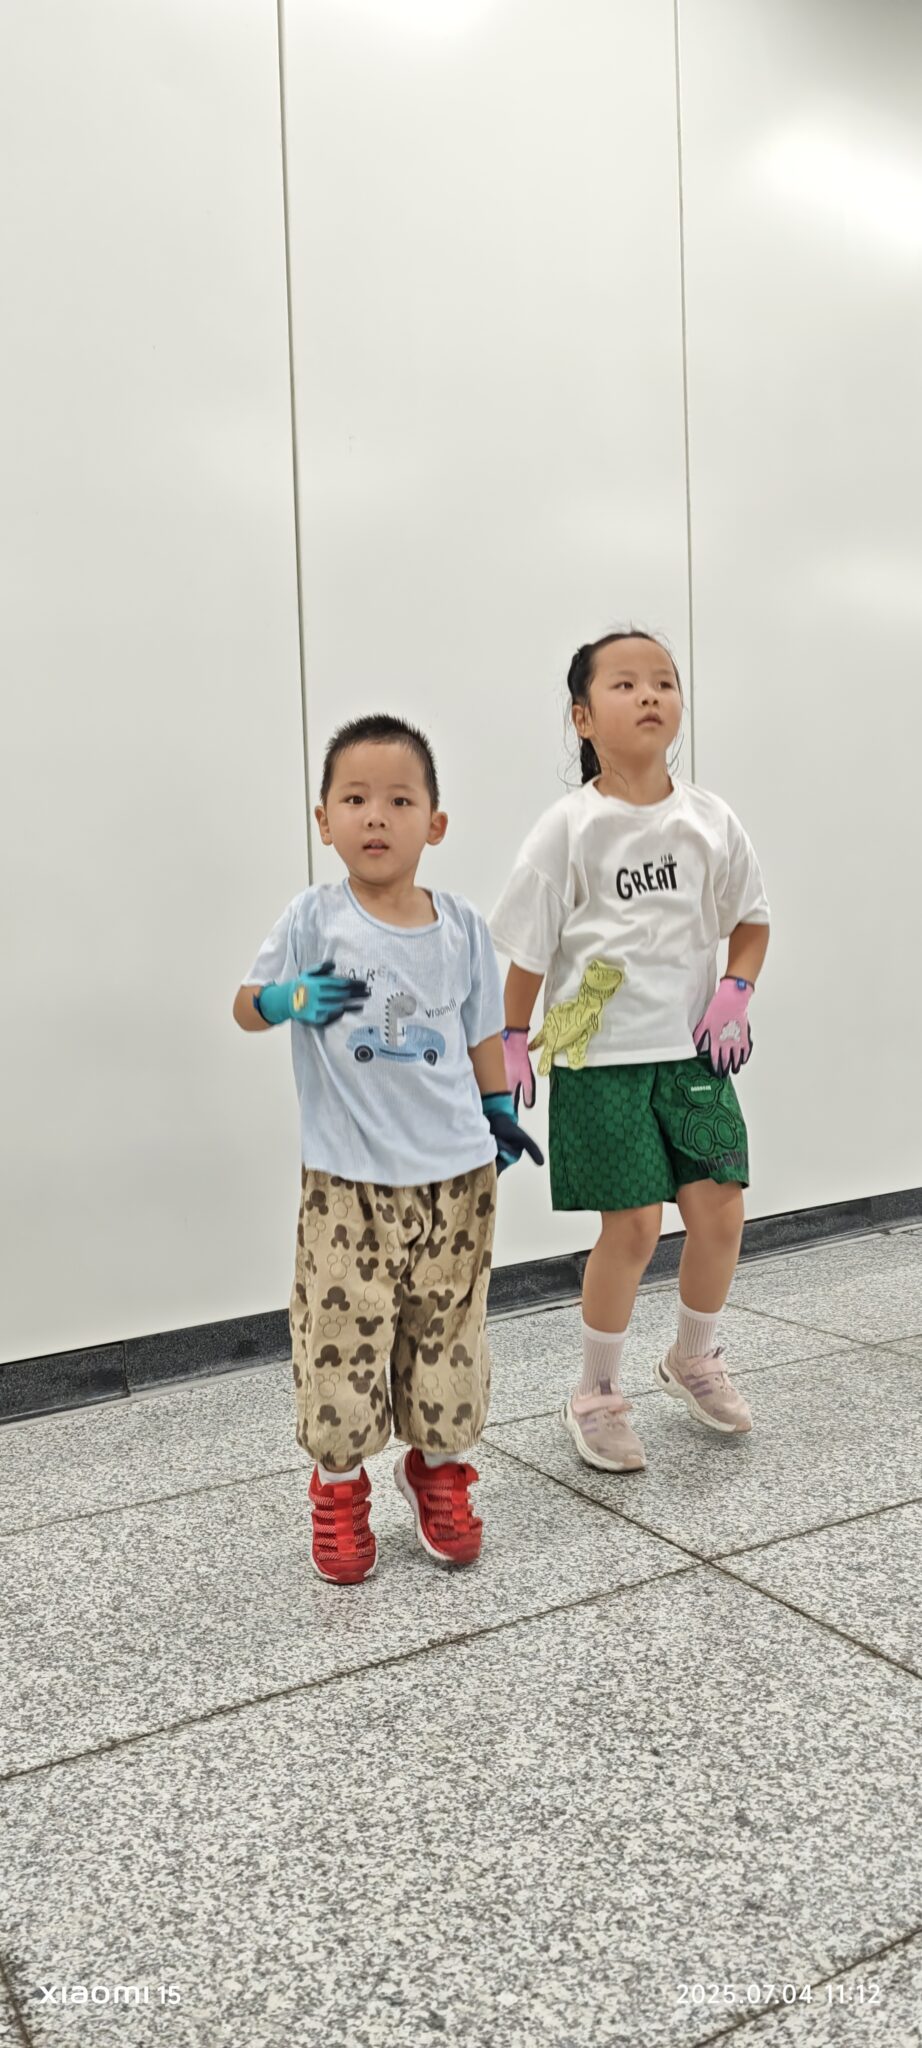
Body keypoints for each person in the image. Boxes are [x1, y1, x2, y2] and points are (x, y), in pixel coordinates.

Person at [233, 714, 542, 1584]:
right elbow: (245, 1004)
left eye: (400, 801)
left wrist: (497, 1110)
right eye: (355, 799)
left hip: (458, 1180)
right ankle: (339, 1489)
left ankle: (437, 1472)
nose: (377, 816)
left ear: (434, 824)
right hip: (349, 1185)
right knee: (342, 1342)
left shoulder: (462, 927)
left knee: (449, 1335)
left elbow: (481, 1031)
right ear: (323, 820)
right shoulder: (313, 919)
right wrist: (286, 1000)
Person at [489, 630, 770, 1473]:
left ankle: (694, 1356)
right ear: (582, 718)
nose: (649, 694)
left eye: (663, 681)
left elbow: (751, 921)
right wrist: (510, 1040)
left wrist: (736, 989)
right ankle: (597, 1393)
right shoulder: (568, 829)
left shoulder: (710, 820)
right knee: (635, 1227)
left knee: (721, 1210)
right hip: (602, 1063)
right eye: (624, 684)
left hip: (691, 1058)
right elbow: (528, 952)